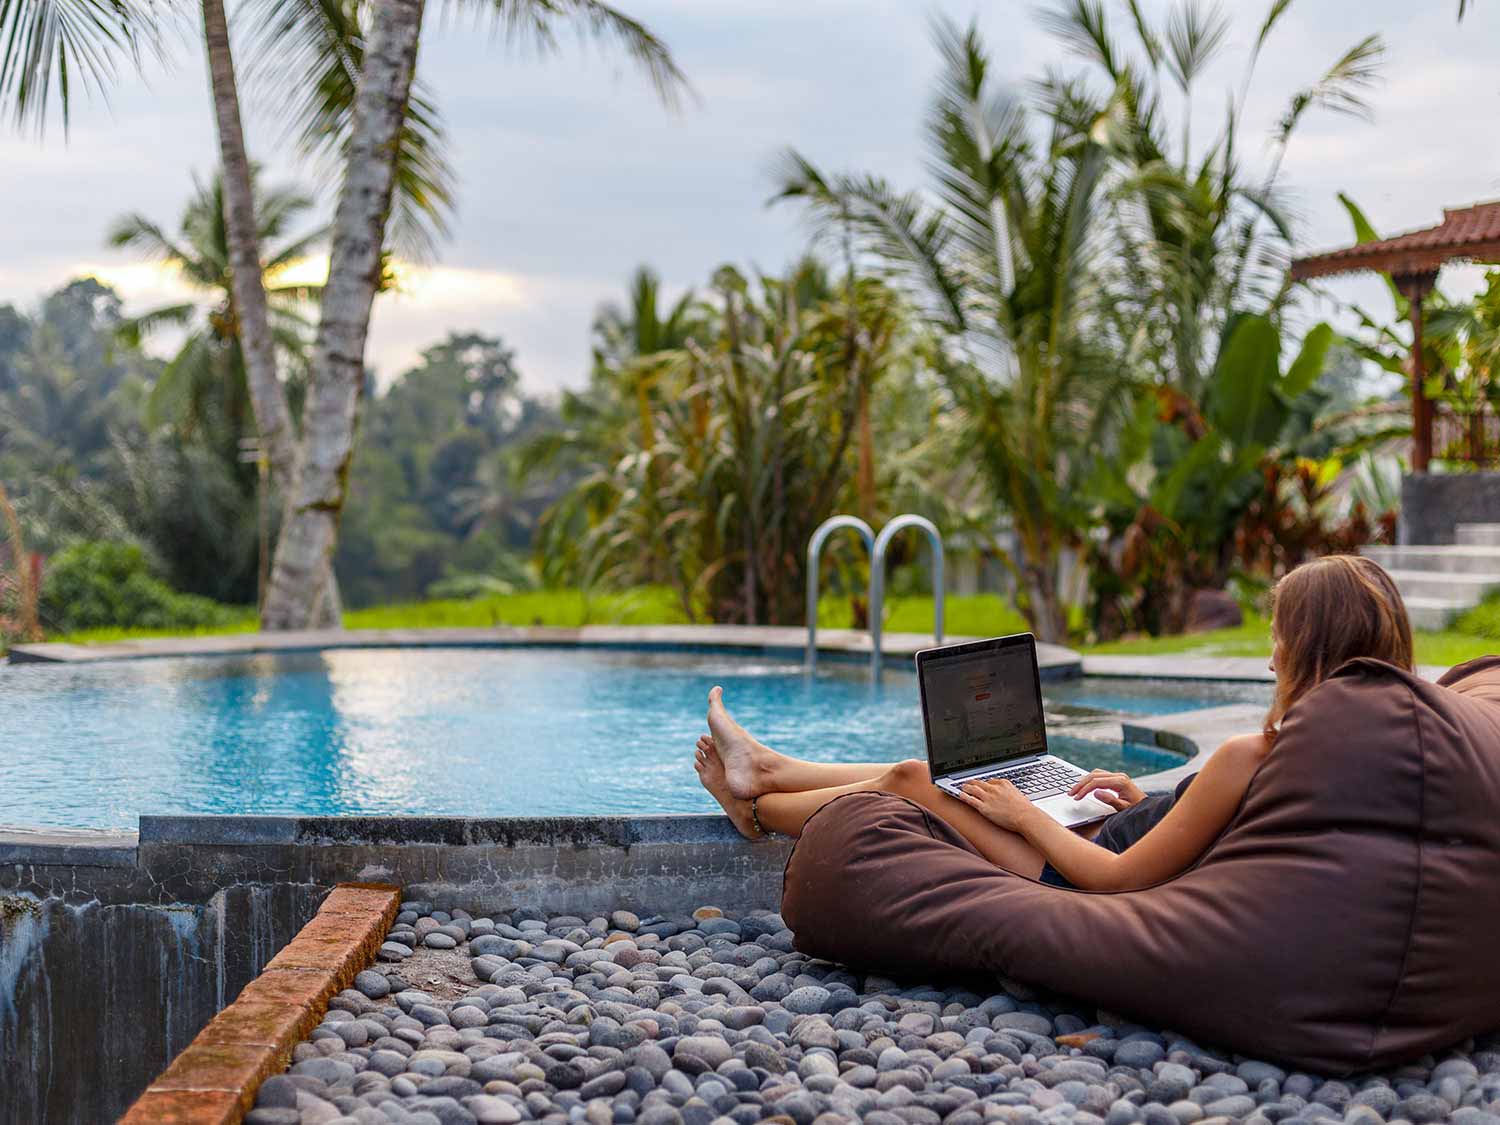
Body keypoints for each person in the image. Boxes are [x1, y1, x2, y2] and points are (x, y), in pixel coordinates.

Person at [694, 554, 1414, 892]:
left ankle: (755, 806)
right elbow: (1212, 834)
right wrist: (1152, 801)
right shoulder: (1352, 750)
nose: (1269, 658)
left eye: (1279, 635)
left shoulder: (1249, 751)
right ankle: (769, 768)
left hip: (1070, 870)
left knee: (914, 778)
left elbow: (1116, 879)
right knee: (951, 773)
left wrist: (1024, 814)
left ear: (1312, 648)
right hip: (1113, 826)